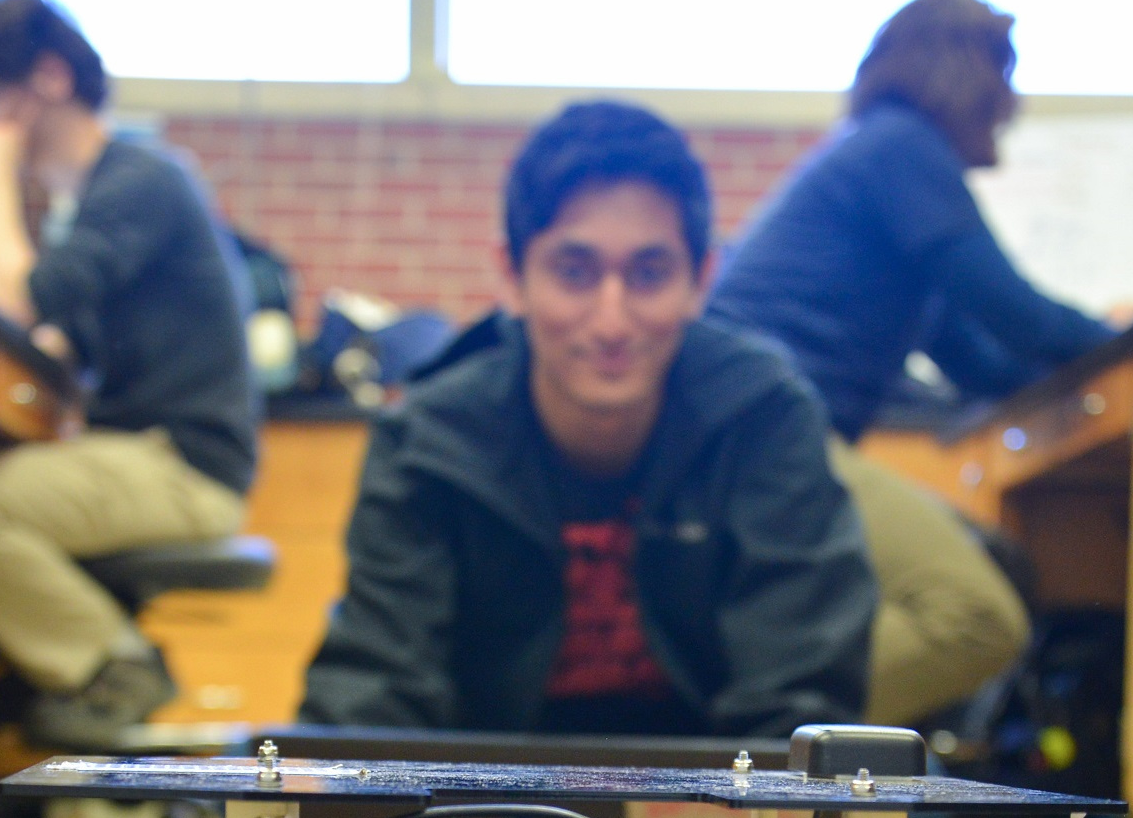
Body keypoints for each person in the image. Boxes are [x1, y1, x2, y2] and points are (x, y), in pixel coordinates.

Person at [297, 102, 873, 737]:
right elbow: (378, 693)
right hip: (481, 813)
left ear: (700, 280)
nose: (611, 322)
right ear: (512, 278)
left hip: (713, 815)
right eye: (574, 273)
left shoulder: (764, 417)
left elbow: (800, 692)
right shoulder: (426, 444)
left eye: (649, 274)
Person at [707, 0, 1115, 727]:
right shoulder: (901, 149)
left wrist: (1068, 358)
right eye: (1004, 75)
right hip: (757, 432)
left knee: (987, 566)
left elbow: (980, 359)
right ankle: (740, 731)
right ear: (965, 74)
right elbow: (1018, 315)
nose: (1011, 101)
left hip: (756, 428)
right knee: (974, 614)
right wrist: (1120, 339)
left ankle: (774, 727)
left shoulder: (879, 165)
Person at [0, 0, 260, 748]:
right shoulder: (101, 198)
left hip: (182, 465)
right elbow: (58, 334)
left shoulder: (140, 180)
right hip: (157, 454)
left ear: (49, 79)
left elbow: (17, 298)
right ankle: (65, 672)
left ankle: (112, 663)